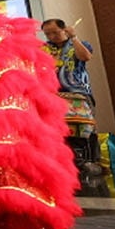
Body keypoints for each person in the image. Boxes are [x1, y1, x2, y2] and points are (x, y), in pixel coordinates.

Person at [41, 17, 101, 175]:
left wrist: (74, 37)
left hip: (79, 93)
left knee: (85, 128)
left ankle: (91, 162)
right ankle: (71, 163)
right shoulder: (45, 49)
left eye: (54, 32)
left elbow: (85, 57)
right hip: (55, 95)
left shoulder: (78, 44)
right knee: (62, 130)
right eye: (47, 34)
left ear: (64, 29)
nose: (51, 36)